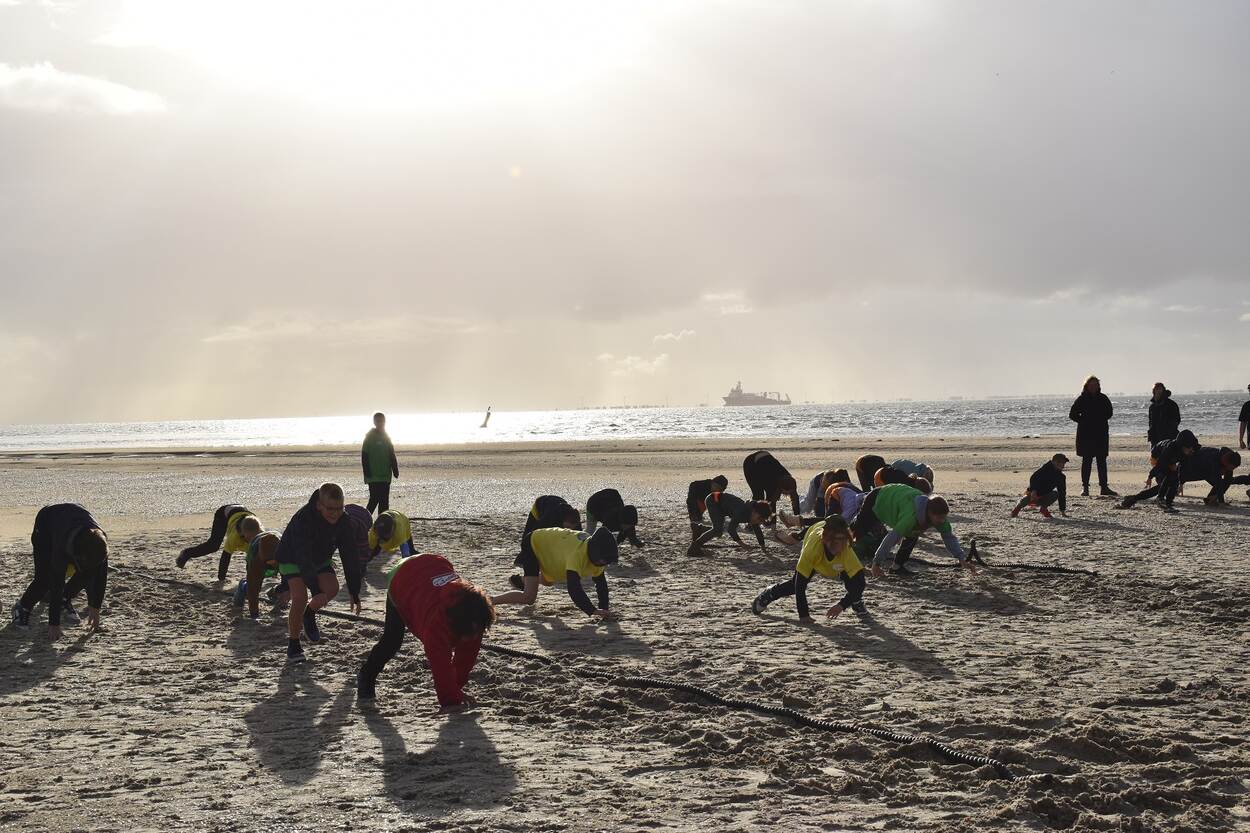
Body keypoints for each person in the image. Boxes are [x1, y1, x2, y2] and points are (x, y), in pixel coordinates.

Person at [357, 553, 495, 710]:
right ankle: (366, 677)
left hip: (432, 564)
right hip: (402, 578)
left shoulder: (476, 614)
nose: (473, 636)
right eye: (469, 633)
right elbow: (440, 665)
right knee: (392, 640)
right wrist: (451, 701)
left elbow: (466, 659)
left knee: (468, 644)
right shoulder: (436, 625)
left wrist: (456, 689)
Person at [275, 483, 366, 663]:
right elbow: (303, 557)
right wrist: (315, 590)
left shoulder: (343, 521)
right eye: (330, 509)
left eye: (339, 508)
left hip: (319, 558)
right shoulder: (304, 519)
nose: (335, 513)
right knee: (300, 597)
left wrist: (354, 590)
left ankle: (309, 614)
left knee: (332, 588)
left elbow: (350, 555)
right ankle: (293, 644)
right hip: (291, 557)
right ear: (319, 505)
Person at [11, 504, 109, 638]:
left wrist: (95, 606)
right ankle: (22, 607)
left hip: (74, 519)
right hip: (46, 523)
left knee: (87, 572)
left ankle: (64, 600)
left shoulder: (100, 543)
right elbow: (57, 581)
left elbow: (101, 574)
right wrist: (54, 624)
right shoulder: (62, 546)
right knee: (44, 579)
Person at [750, 516, 867, 622]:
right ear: (826, 539)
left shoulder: (845, 548)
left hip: (833, 560)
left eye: (844, 541)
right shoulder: (813, 549)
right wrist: (804, 615)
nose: (841, 547)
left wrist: (842, 605)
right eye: (837, 542)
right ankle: (769, 594)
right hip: (813, 547)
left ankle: (856, 601)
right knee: (794, 585)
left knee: (853, 579)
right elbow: (799, 585)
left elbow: (861, 583)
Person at [492, 527, 619, 619]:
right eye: (603, 560)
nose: (604, 564)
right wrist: (592, 610)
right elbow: (574, 589)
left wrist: (604, 609)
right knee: (529, 597)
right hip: (534, 543)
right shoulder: (577, 555)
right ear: (594, 551)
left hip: (551, 550)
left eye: (607, 562)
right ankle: (489, 601)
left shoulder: (599, 560)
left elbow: (601, 585)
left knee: (548, 581)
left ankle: (523, 581)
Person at [852, 484, 976, 577]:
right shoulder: (911, 517)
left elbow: (949, 538)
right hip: (878, 497)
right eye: (939, 518)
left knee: (913, 533)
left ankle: (897, 567)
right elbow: (891, 539)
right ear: (929, 513)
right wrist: (876, 564)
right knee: (859, 530)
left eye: (944, 518)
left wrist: (962, 559)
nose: (942, 521)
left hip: (898, 502)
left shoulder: (939, 518)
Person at [1117, 429, 1200, 510]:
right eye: (1189, 448)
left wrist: (1181, 482)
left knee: (1174, 481)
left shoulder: (1189, 450)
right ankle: (1149, 499)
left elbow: (1184, 468)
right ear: (1182, 446)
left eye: (1192, 448)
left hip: (1171, 460)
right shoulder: (1169, 449)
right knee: (1164, 483)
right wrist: (1150, 477)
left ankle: (1167, 503)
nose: (1191, 450)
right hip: (1157, 456)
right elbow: (1159, 465)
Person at [175, 504, 261, 582]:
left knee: (253, 551)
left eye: (254, 538)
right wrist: (221, 579)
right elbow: (225, 557)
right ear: (242, 533)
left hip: (244, 515)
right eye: (249, 538)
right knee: (213, 546)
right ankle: (186, 553)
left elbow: (254, 557)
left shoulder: (260, 536)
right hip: (223, 514)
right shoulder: (234, 537)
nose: (251, 540)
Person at [1069, 375, 1117, 497]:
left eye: (1096, 384)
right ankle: (1085, 487)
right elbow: (1072, 414)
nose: (1094, 387)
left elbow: (1109, 413)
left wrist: (1099, 420)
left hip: (1101, 434)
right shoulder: (1082, 399)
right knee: (1087, 461)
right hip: (1086, 435)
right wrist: (1084, 421)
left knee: (1102, 461)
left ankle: (1104, 487)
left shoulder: (1103, 398)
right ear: (1087, 386)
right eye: (1091, 385)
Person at [687, 491, 773, 555]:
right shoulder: (741, 512)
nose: (758, 522)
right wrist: (743, 545)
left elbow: (757, 530)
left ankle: (698, 528)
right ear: (755, 512)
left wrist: (763, 547)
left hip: (720, 504)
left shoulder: (752, 514)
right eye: (759, 519)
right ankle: (695, 547)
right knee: (717, 530)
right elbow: (731, 529)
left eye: (760, 521)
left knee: (718, 531)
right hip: (713, 500)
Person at [234, 530, 290, 619]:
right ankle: (243, 585)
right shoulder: (255, 561)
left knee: (288, 584)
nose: (272, 565)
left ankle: (274, 593)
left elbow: (292, 579)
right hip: (256, 551)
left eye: (274, 563)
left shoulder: (287, 554)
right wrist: (254, 615)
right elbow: (253, 591)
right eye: (269, 563)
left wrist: (286, 592)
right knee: (252, 588)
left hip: (280, 556)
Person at [362, 412, 400, 515]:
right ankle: (364, 520)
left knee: (384, 502)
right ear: (374, 422)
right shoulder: (369, 437)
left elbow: (391, 454)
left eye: (382, 421)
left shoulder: (387, 437)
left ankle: (382, 524)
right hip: (373, 476)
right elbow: (364, 456)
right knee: (374, 500)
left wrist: (395, 469)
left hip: (385, 476)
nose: (380, 423)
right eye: (378, 421)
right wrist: (367, 472)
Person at [1179, 447, 1243, 505]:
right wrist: (1221, 502)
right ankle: (1211, 499)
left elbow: (1227, 480)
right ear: (1227, 463)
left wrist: (1217, 496)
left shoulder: (1230, 457)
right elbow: (1218, 481)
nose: (1232, 469)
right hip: (1192, 466)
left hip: (1206, 469)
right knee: (1179, 479)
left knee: (1226, 481)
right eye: (1232, 467)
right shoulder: (1215, 459)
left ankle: (1210, 498)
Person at [1011, 454, 1069, 519]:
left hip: (1045, 496)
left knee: (1056, 494)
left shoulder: (1061, 477)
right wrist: (1034, 491)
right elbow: (1033, 478)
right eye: (1059, 462)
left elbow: (1062, 492)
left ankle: (1043, 509)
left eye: (1063, 462)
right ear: (1053, 462)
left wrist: (1062, 510)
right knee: (1026, 498)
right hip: (1033, 494)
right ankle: (1016, 509)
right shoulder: (1044, 469)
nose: (1062, 464)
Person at [743, 451, 801, 515]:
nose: (787, 495)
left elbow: (795, 499)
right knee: (758, 495)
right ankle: (754, 519)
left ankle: (764, 520)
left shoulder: (791, 481)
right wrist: (771, 519)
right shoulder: (771, 484)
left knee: (768, 498)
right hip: (750, 463)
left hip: (764, 457)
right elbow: (771, 502)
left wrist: (797, 515)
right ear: (780, 488)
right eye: (785, 493)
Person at [1147, 383, 1181, 449]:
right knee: (1155, 457)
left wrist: (1169, 431)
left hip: (1169, 437)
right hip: (1155, 438)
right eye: (1155, 390)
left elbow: (1177, 420)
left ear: (1163, 391)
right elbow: (1151, 423)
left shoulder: (1171, 404)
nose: (1157, 392)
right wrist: (1150, 436)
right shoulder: (1152, 407)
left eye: (1159, 389)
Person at [1239, 384, 1250, 450]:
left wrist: (1241, 440)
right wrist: (1241, 440)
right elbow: (1243, 423)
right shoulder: (1247, 406)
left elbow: (1243, 423)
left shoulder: (1247, 405)